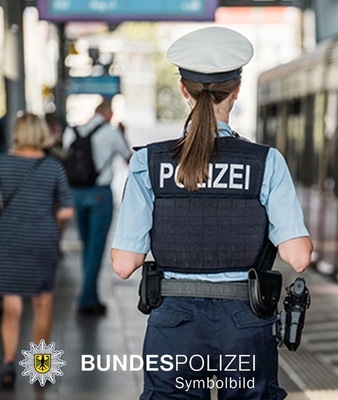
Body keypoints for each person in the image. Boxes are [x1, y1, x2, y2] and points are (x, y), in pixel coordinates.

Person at [110, 26, 312, 399]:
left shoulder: (148, 162)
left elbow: (124, 264)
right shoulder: (265, 162)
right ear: (236, 91)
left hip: (175, 326)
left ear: (183, 90)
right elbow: (298, 257)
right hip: (244, 322)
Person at [0, 113, 74, 388]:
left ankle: (9, 364)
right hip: (43, 239)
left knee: (12, 306)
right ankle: (40, 370)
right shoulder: (53, 167)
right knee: (42, 304)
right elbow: (66, 210)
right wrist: (53, 224)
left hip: (9, 239)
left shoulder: (2, 163)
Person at [62, 99, 132, 315]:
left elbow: (66, 157)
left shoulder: (72, 131)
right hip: (99, 194)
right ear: (108, 113)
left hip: (76, 193)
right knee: (96, 247)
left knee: (86, 245)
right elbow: (129, 159)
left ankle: (90, 294)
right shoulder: (111, 132)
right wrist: (123, 134)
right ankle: (86, 299)